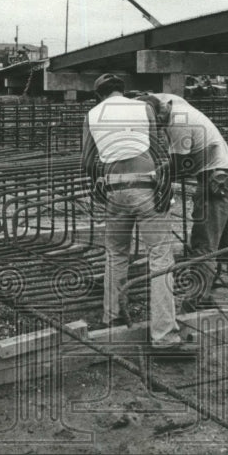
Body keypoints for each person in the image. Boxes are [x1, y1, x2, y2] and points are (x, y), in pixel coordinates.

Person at [81, 74, 187, 350]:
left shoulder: (92, 114)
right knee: (160, 258)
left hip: (114, 189)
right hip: (146, 187)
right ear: (122, 91)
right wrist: (166, 185)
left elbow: (87, 161)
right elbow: (158, 149)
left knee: (115, 254)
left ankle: (112, 318)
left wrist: (101, 181)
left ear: (99, 96)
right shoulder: (143, 107)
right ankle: (164, 336)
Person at [137, 93, 228, 311]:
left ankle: (195, 302)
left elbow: (180, 165)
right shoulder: (174, 104)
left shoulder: (178, 124)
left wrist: (158, 177)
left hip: (217, 182)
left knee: (204, 244)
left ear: (159, 116)